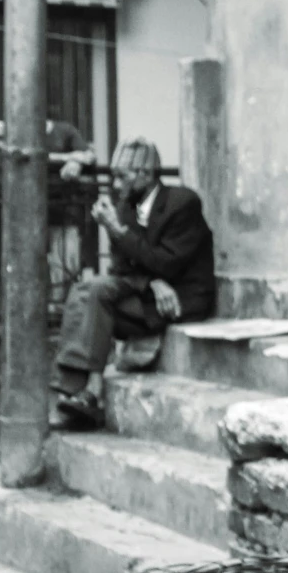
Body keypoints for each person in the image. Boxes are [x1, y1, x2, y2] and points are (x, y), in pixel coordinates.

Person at [51, 138, 214, 429]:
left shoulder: (183, 203)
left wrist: (116, 230)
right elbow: (120, 266)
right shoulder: (127, 205)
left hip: (181, 297)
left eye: (122, 177)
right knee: (87, 290)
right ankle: (80, 389)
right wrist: (152, 282)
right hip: (149, 292)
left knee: (97, 293)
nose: (116, 184)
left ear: (146, 175)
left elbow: (169, 263)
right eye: (114, 177)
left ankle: (86, 392)